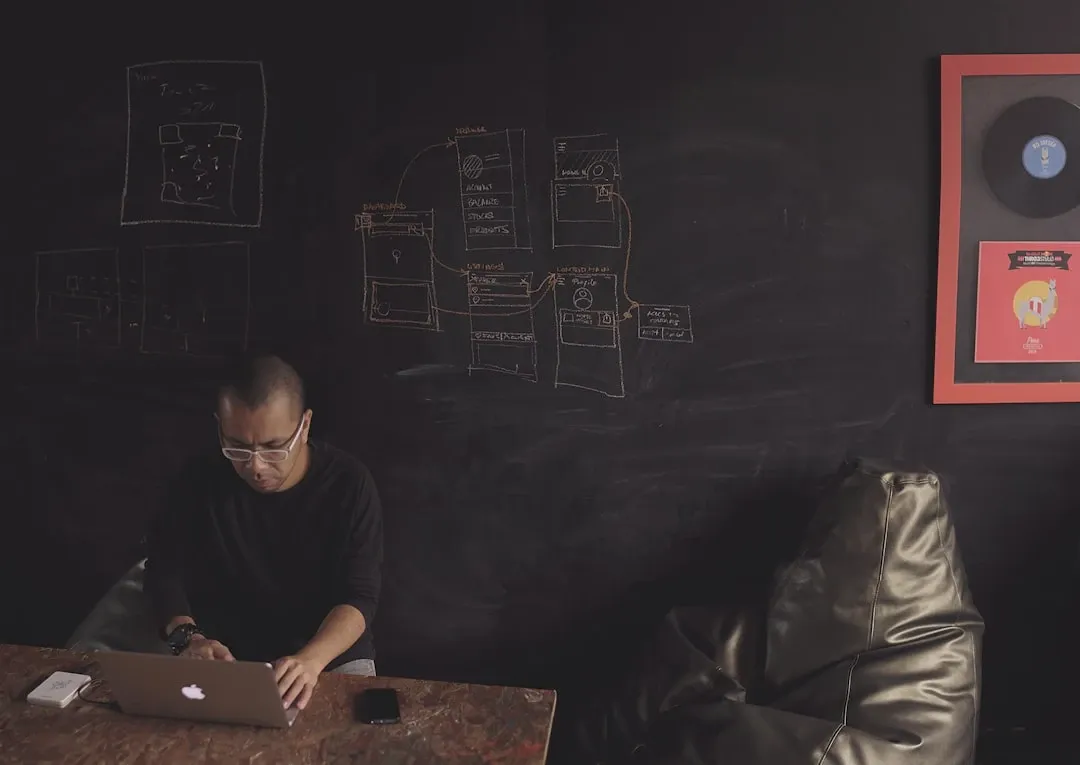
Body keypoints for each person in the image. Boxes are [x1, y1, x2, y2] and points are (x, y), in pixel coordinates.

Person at [145, 353, 384, 711]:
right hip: (227, 658)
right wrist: (189, 639)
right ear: (219, 427)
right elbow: (164, 573)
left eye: (274, 448)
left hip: (330, 655)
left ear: (305, 426)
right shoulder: (196, 479)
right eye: (237, 447)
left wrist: (310, 661)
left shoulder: (349, 483)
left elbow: (360, 597)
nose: (255, 467)